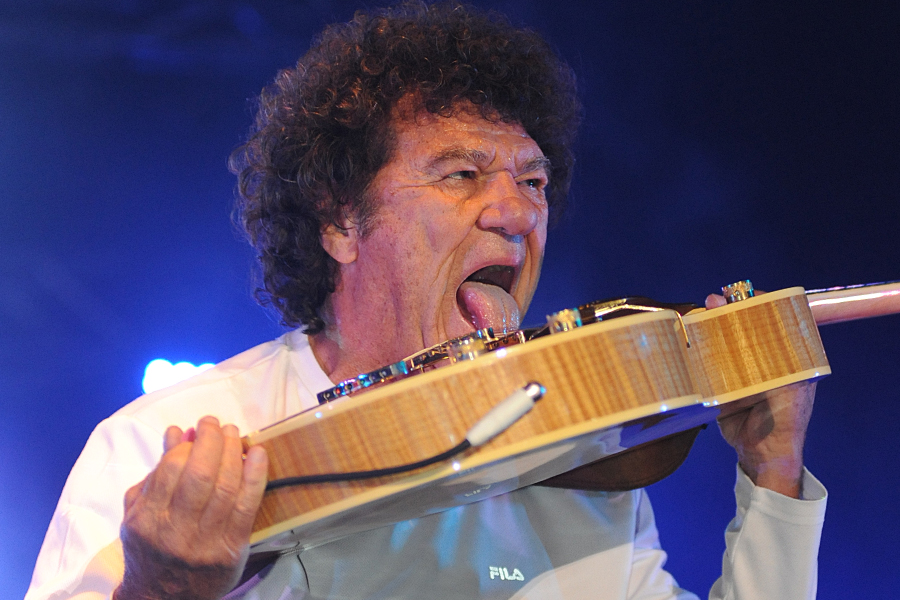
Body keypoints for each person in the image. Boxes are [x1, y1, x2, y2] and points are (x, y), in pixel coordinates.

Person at [26, 3, 826, 599]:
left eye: (534, 181)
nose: (516, 213)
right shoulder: (164, 447)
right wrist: (160, 592)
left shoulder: (580, 464)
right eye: (461, 175)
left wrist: (774, 473)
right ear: (341, 222)